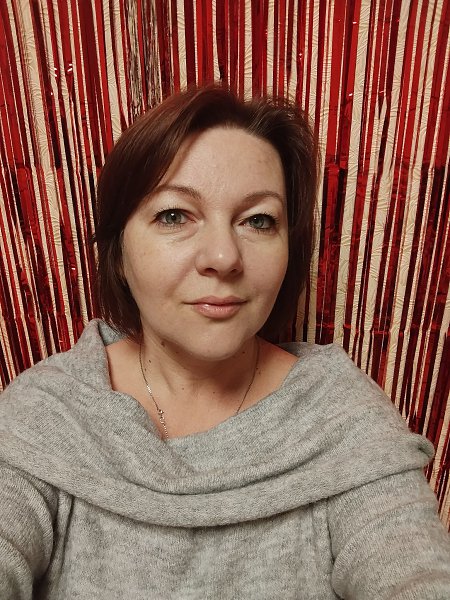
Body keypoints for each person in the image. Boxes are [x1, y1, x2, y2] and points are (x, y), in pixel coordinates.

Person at [0, 85, 448, 600]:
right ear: (118, 251)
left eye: (258, 220)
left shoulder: (341, 414)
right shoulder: (46, 411)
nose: (224, 257)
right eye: (174, 216)